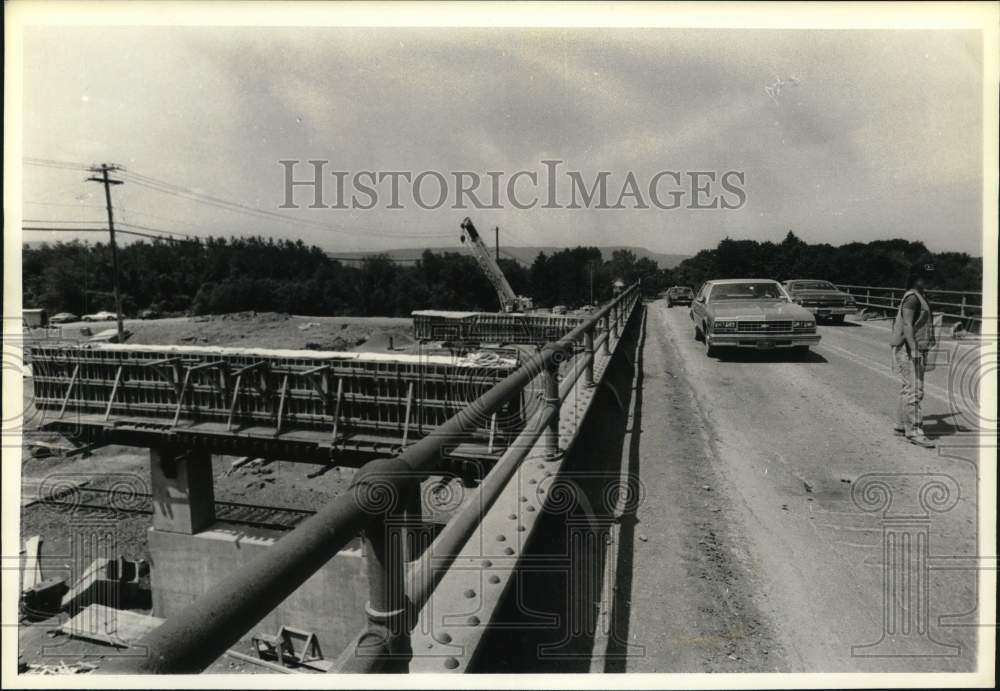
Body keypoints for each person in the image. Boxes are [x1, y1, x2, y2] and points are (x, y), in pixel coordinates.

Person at [890, 260, 937, 447]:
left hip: (912, 348)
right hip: (910, 349)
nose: (928, 280)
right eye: (924, 277)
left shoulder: (919, 295)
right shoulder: (912, 298)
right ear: (915, 277)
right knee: (915, 390)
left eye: (930, 277)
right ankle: (915, 431)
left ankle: (901, 426)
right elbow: (908, 324)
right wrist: (915, 349)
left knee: (908, 388)